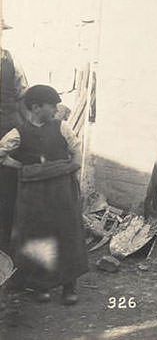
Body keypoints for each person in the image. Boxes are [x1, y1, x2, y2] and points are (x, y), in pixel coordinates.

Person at [0, 84, 88, 305]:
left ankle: (69, 285)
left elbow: (76, 153)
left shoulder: (62, 127)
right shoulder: (18, 133)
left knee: (67, 233)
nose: (56, 110)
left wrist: (71, 166)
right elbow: (1, 153)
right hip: (34, 195)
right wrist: (20, 166)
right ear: (36, 107)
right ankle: (41, 285)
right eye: (52, 106)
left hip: (62, 190)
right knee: (37, 236)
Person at [0, 39, 29, 253]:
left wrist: (27, 131)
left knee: (8, 188)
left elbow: (22, 96)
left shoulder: (11, 60)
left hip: (7, 129)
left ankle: (6, 242)